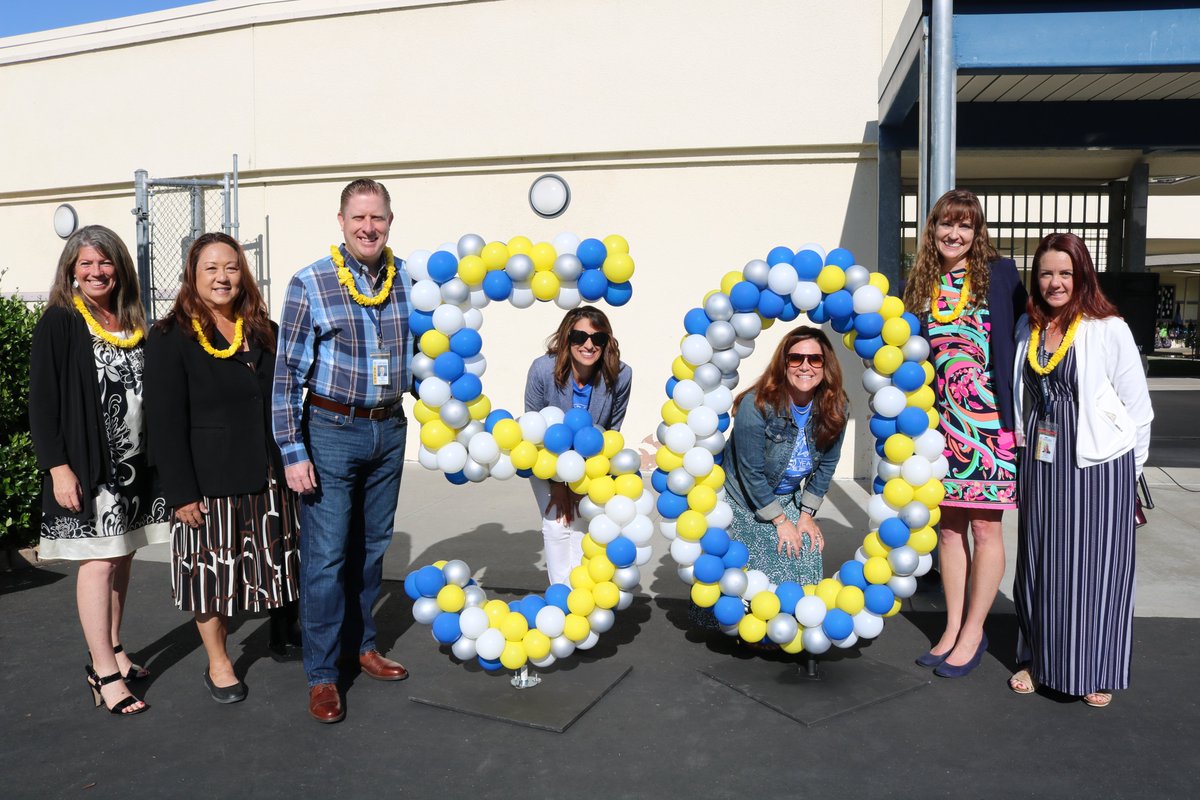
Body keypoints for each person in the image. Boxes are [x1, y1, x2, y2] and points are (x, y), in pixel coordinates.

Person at [273, 178, 413, 724]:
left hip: (389, 427)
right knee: (327, 557)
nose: (368, 228)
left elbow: (427, 354)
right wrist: (292, 449)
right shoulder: (310, 282)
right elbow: (286, 377)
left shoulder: (409, 282)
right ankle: (323, 675)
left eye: (377, 218)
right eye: (358, 218)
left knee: (372, 549)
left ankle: (363, 646)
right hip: (331, 428)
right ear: (340, 221)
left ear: (389, 222)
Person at [145, 232, 301, 704]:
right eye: (210, 267)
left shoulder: (263, 329)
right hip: (209, 481)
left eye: (231, 267)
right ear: (192, 275)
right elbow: (164, 421)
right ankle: (218, 661)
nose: (222, 277)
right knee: (209, 576)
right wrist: (180, 492)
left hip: (269, 473)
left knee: (276, 564)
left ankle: (281, 632)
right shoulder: (171, 336)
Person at [29, 225, 170, 716]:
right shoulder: (61, 321)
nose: (96, 271)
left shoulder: (130, 318)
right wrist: (58, 468)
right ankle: (102, 672)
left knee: (124, 556)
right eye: (86, 263)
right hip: (92, 468)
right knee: (100, 562)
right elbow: (42, 403)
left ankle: (115, 648)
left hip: (135, 465)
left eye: (104, 262)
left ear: (119, 268)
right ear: (71, 270)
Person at [1008, 232, 1153, 708]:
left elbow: (1139, 408)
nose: (1055, 282)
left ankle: (1097, 668)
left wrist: (1128, 475)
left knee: (1095, 568)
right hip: (1042, 462)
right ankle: (1037, 659)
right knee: (1040, 562)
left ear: (1082, 275)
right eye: (1046, 272)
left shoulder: (1107, 327)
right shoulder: (1028, 328)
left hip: (1097, 466)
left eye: (1065, 273)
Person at [902, 189, 1027, 678]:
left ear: (978, 232)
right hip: (940, 426)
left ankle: (975, 631)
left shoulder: (999, 274)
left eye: (965, 225)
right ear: (932, 229)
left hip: (991, 425)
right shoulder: (921, 283)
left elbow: (1018, 345)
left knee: (985, 527)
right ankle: (951, 628)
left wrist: (1018, 424)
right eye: (945, 224)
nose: (954, 233)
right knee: (949, 531)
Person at [723, 326, 848, 587]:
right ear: (784, 364)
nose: (805, 366)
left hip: (786, 494)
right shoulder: (756, 405)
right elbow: (750, 473)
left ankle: (799, 621)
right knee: (781, 551)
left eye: (814, 359)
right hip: (745, 497)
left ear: (826, 366)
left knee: (809, 546)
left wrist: (806, 515)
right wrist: (780, 521)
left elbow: (826, 466)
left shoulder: (836, 407)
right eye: (795, 358)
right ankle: (751, 620)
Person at [524, 306, 632, 585]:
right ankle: (562, 596)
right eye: (579, 336)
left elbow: (612, 430)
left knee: (583, 526)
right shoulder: (542, 370)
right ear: (566, 337)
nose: (588, 344)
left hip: (591, 466)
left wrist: (580, 482)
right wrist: (561, 484)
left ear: (606, 342)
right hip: (546, 460)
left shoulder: (620, 375)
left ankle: (579, 595)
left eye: (597, 339)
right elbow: (532, 429)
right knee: (557, 525)